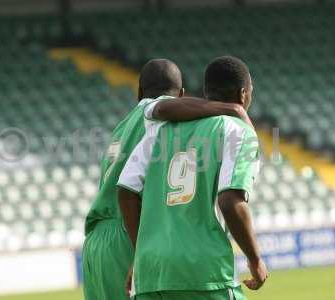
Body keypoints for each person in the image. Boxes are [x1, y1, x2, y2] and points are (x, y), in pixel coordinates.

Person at [82, 58, 252, 300]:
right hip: (125, 235)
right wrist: (231, 109)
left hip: (95, 243)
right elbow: (163, 108)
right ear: (181, 95)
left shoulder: (122, 126)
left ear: (139, 91)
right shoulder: (155, 115)